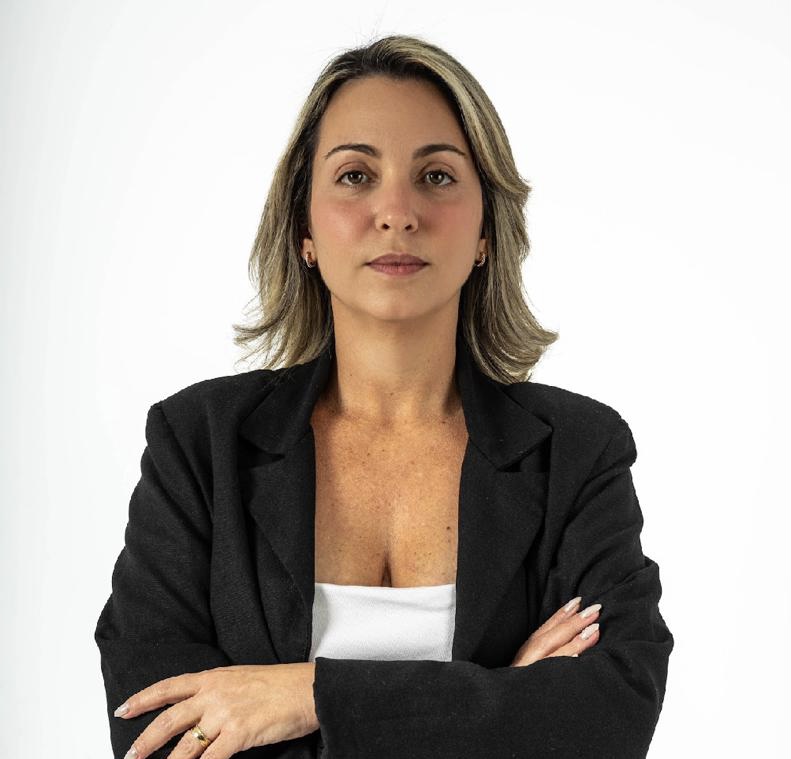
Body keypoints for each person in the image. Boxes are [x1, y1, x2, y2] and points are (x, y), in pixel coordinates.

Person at [95, 34, 674, 759]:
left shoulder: (578, 451)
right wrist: (497, 697)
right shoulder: (196, 443)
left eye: (435, 176)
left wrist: (306, 695)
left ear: (486, 229)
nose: (397, 211)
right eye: (355, 175)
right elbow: (155, 736)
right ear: (304, 228)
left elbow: (609, 719)